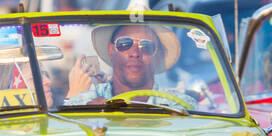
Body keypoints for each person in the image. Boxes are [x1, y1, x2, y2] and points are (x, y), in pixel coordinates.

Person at [64, 22, 211, 109]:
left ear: (158, 56)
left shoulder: (181, 107)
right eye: (124, 44)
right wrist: (87, 118)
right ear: (111, 49)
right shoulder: (81, 104)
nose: (134, 53)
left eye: (146, 46)